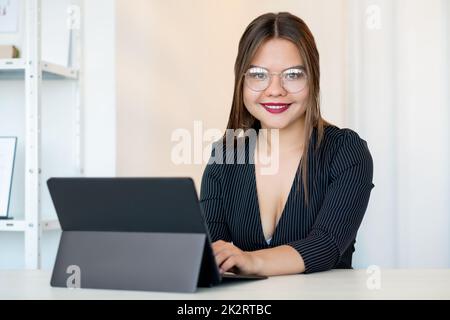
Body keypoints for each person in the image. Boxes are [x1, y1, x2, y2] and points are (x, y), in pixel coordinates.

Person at [199, 12, 374, 276]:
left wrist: (251, 261)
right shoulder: (224, 157)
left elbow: (325, 246)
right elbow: (213, 252)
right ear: (242, 81)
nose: (275, 89)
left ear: (312, 79)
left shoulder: (346, 152)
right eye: (259, 75)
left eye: (293, 75)